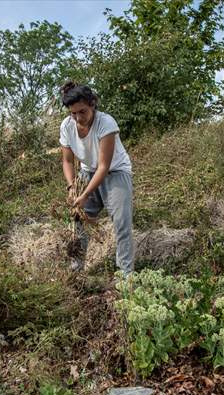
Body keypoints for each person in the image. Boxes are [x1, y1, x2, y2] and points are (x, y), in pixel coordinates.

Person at [59, 81, 134, 275]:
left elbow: (103, 166)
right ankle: (76, 272)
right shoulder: (67, 126)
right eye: (73, 113)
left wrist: (85, 194)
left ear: (92, 104)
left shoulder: (106, 123)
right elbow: (67, 161)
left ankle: (126, 277)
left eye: (82, 112)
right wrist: (72, 188)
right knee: (78, 220)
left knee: (121, 222)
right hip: (87, 172)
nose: (77, 118)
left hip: (115, 172)